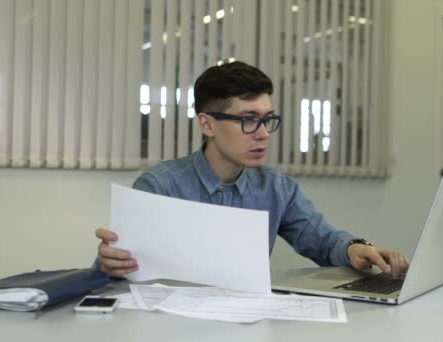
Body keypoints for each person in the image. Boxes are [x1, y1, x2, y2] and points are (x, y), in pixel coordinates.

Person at [95, 61, 409, 279]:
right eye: (248, 119)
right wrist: (109, 263)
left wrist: (358, 248)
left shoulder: (276, 187)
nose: (262, 133)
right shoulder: (160, 186)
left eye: (267, 119)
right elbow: (118, 271)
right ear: (208, 124)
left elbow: (325, 242)